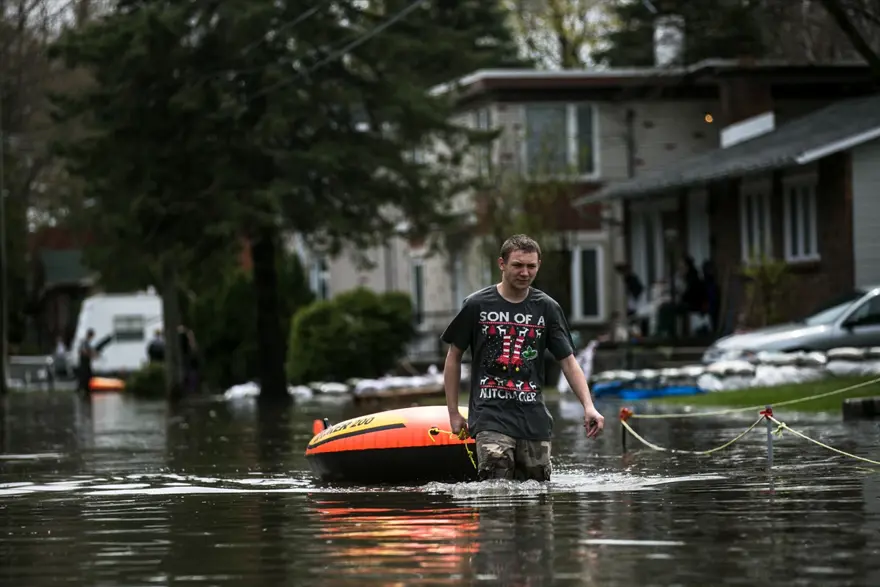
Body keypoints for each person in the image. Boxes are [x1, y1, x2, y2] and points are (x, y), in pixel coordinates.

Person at [441, 234, 605, 482]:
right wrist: (453, 412)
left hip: (533, 418)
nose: (525, 272)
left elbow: (569, 362)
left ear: (539, 265)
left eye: (531, 266)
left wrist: (589, 406)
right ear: (502, 264)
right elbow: (453, 357)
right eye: (518, 265)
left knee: (537, 499)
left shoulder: (547, 308)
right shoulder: (476, 305)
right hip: (490, 415)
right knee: (496, 491)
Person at [77, 329, 97, 394]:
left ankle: (86, 390)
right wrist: (91, 355)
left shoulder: (87, 343)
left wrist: (93, 354)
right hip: (84, 362)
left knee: (88, 376)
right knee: (84, 376)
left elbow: (89, 351)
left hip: (86, 362)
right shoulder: (84, 342)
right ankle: (81, 390)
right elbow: (83, 352)